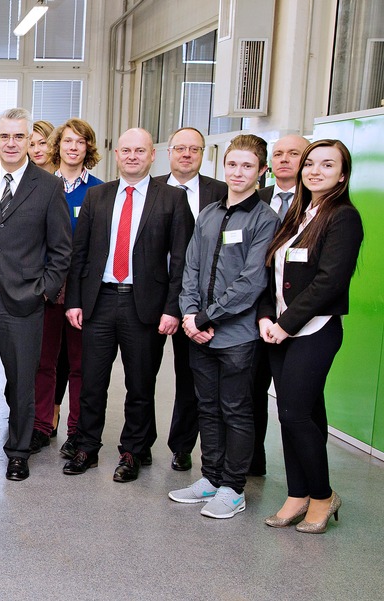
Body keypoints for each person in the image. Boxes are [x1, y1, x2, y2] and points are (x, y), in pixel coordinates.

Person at [63, 128, 193, 482]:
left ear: (153, 155)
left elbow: (181, 260)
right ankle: (86, 446)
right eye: (126, 150)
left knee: (139, 385)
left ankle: (133, 451)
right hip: (99, 301)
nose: (132, 156)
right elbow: (80, 254)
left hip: (145, 305)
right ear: (116, 155)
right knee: (92, 381)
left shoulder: (171, 199)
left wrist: (173, 308)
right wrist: (74, 301)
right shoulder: (98, 196)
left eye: (140, 150)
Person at [0, 108, 72, 481]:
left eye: (18, 137)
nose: (11, 143)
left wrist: (44, 292)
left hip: (24, 301)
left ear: (28, 141)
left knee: (22, 381)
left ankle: (19, 451)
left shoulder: (49, 186)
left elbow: (61, 249)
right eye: (5, 136)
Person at [170, 134, 278, 519]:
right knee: (207, 407)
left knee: (236, 409)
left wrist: (205, 317)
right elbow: (190, 268)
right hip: (199, 331)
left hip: (236, 336)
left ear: (261, 171)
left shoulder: (266, 219)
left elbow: (251, 282)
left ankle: (234, 487)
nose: (238, 172)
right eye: (232, 164)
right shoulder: (210, 213)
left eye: (247, 166)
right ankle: (211, 478)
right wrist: (189, 315)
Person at [258, 139, 362, 534]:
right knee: (299, 416)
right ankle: (298, 493)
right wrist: (267, 316)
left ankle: (322, 495)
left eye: (327, 164)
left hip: (314, 331)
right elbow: (273, 271)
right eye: (310, 163)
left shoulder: (343, 217)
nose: (315, 170)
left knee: (294, 413)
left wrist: (284, 325)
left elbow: (329, 282)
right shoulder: (299, 214)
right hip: (280, 331)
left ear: (343, 174)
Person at [156, 127, 230, 472]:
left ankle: (182, 446)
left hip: (197, 303)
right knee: (143, 375)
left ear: (203, 153)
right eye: (180, 148)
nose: (186, 154)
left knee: (190, 376)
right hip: (152, 296)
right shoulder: (151, 187)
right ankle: (137, 445)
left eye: (194, 149)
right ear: (168, 152)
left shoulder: (222, 192)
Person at [36, 118, 104, 458]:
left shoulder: (101, 190)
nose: (73, 147)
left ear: (88, 148)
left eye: (80, 142)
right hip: (47, 284)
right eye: (67, 141)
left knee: (81, 364)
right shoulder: (40, 186)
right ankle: (40, 425)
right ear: (57, 147)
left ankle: (77, 431)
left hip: (84, 288)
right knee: (43, 360)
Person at [246, 134, 311, 476]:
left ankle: (302, 476)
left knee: (295, 403)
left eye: (295, 153)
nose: (285, 159)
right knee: (251, 391)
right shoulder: (257, 199)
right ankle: (253, 463)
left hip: (299, 320)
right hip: (257, 314)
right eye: (279, 154)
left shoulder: (315, 205)